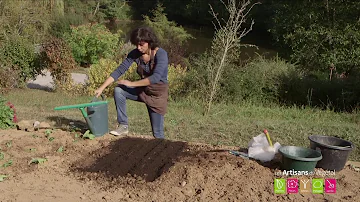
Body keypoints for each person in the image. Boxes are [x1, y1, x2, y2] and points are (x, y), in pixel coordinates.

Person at [94, 26, 169, 139]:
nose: (138, 48)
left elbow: (155, 78)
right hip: (143, 91)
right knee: (119, 90)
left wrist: (131, 83)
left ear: (149, 42)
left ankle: (163, 154)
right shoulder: (135, 54)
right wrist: (101, 88)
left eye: (141, 45)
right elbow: (119, 70)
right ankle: (123, 125)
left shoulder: (161, 54)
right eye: (136, 44)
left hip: (157, 95)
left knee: (157, 134)